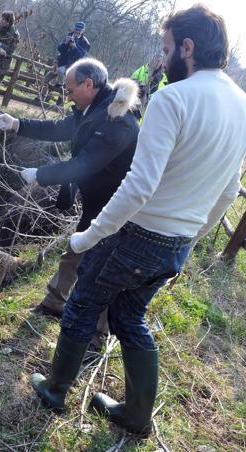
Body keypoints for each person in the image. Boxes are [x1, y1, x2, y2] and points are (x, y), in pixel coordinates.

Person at [27, 5, 246, 437]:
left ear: (188, 46)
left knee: (84, 302)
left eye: (166, 50)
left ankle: (54, 390)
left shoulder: (173, 97)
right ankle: (136, 415)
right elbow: (226, 190)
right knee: (129, 318)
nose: (162, 61)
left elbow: (138, 185)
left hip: (139, 233)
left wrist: (89, 236)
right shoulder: (241, 106)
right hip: (177, 241)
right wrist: (191, 239)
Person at [0, 58, 140, 347]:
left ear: (88, 84)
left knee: (103, 269)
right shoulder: (92, 109)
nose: (66, 93)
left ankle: (97, 335)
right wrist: (17, 124)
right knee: (76, 248)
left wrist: (40, 175)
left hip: (119, 207)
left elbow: (85, 164)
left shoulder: (118, 122)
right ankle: (53, 303)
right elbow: (57, 128)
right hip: (97, 201)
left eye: (69, 89)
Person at [41, 22, 90, 102]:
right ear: (74, 28)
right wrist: (65, 43)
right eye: (76, 29)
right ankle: (41, 98)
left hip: (71, 67)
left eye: (79, 30)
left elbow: (81, 57)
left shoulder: (85, 43)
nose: (77, 31)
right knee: (46, 79)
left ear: (83, 31)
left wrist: (74, 48)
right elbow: (60, 49)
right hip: (60, 63)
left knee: (62, 77)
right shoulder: (68, 36)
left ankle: (60, 98)